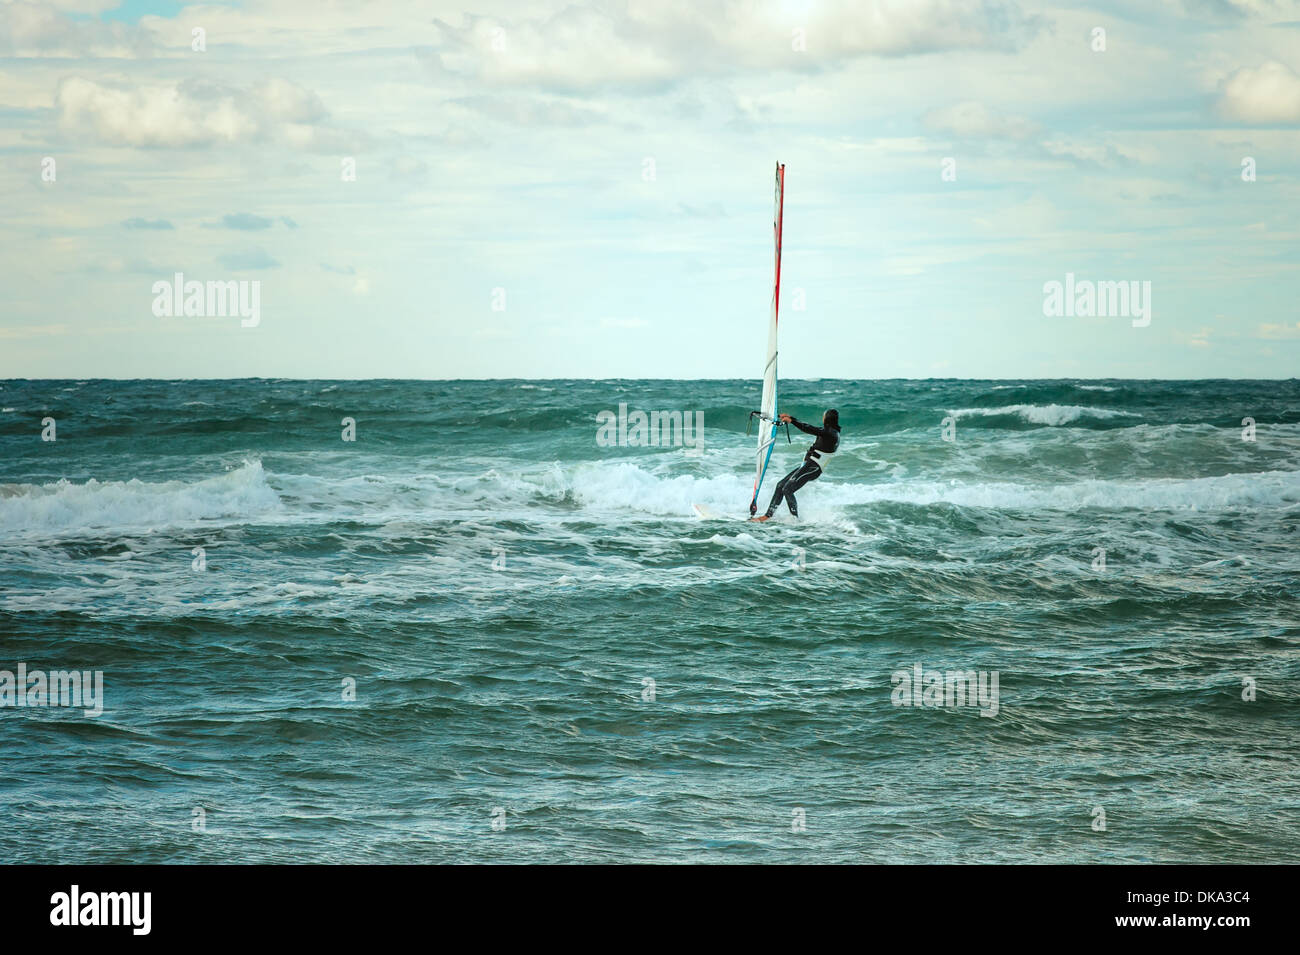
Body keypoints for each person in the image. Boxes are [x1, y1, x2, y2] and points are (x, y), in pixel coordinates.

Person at [752, 409, 840, 521]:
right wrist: (791, 419)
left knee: (788, 489)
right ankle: (767, 516)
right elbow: (812, 428)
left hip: (813, 467)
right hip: (808, 465)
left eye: (823, 416)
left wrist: (792, 421)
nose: (822, 418)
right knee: (780, 486)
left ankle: (795, 520)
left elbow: (809, 428)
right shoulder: (829, 432)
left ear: (826, 419)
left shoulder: (831, 433)